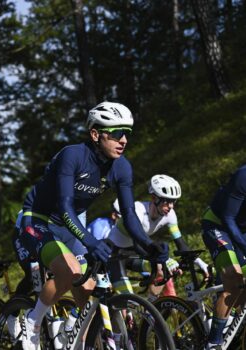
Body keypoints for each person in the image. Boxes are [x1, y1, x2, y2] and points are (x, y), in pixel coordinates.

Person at [17, 101, 169, 350]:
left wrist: (149, 245)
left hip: (73, 221)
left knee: (87, 285)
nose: (124, 141)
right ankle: (32, 322)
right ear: (96, 134)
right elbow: (65, 206)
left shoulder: (121, 166)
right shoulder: (73, 155)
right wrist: (91, 241)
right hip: (40, 218)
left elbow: (129, 215)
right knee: (70, 271)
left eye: (127, 134)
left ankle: (73, 333)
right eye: (117, 133)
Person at [105, 174, 209, 298]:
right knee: (127, 300)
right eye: (167, 201)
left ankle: (150, 310)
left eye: (173, 201)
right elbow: (138, 242)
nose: (171, 206)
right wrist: (166, 259)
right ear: (154, 198)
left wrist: (199, 262)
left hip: (134, 253)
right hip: (115, 252)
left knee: (162, 272)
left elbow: (180, 244)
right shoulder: (137, 210)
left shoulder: (170, 215)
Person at [201, 165, 246, 350]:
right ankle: (213, 342)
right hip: (218, 225)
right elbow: (228, 218)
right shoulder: (243, 176)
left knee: (243, 295)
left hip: (242, 229)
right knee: (233, 280)